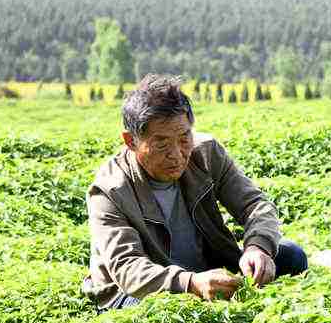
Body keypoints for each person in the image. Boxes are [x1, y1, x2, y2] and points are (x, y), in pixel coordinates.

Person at [82, 74, 307, 310]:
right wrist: (191, 283)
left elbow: (254, 204)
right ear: (131, 141)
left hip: (207, 269)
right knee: (162, 314)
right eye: (161, 144)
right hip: (136, 290)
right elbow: (128, 268)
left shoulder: (206, 154)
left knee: (291, 255)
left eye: (184, 138)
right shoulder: (109, 189)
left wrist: (258, 247)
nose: (177, 155)